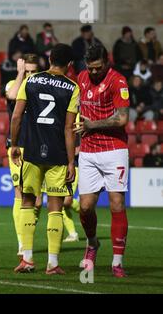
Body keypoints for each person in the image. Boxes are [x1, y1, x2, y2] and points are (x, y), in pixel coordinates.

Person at [10, 44, 78, 275]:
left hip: (31, 149)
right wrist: (71, 161)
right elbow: (69, 128)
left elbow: (17, 115)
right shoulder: (72, 87)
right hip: (58, 154)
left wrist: (14, 145)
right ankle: (53, 263)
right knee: (55, 208)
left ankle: (27, 259)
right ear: (69, 65)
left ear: (49, 59)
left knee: (27, 202)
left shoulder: (31, 80)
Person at [74, 44, 130, 278]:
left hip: (114, 150)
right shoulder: (81, 77)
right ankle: (92, 243)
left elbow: (122, 119)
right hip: (87, 151)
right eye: (90, 68)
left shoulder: (118, 81)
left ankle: (117, 262)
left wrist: (91, 125)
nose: (94, 72)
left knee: (116, 204)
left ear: (106, 62)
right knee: (85, 207)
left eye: (97, 68)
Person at [5, 54, 40, 258]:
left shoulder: (41, 87)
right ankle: (22, 242)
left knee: (37, 201)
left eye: (33, 71)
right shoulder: (14, 83)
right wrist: (20, 74)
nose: (30, 75)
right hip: (18, 147)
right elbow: (12, 96)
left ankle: (28, 236)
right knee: (20, 193)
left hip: (39, 146)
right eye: (27, 71)